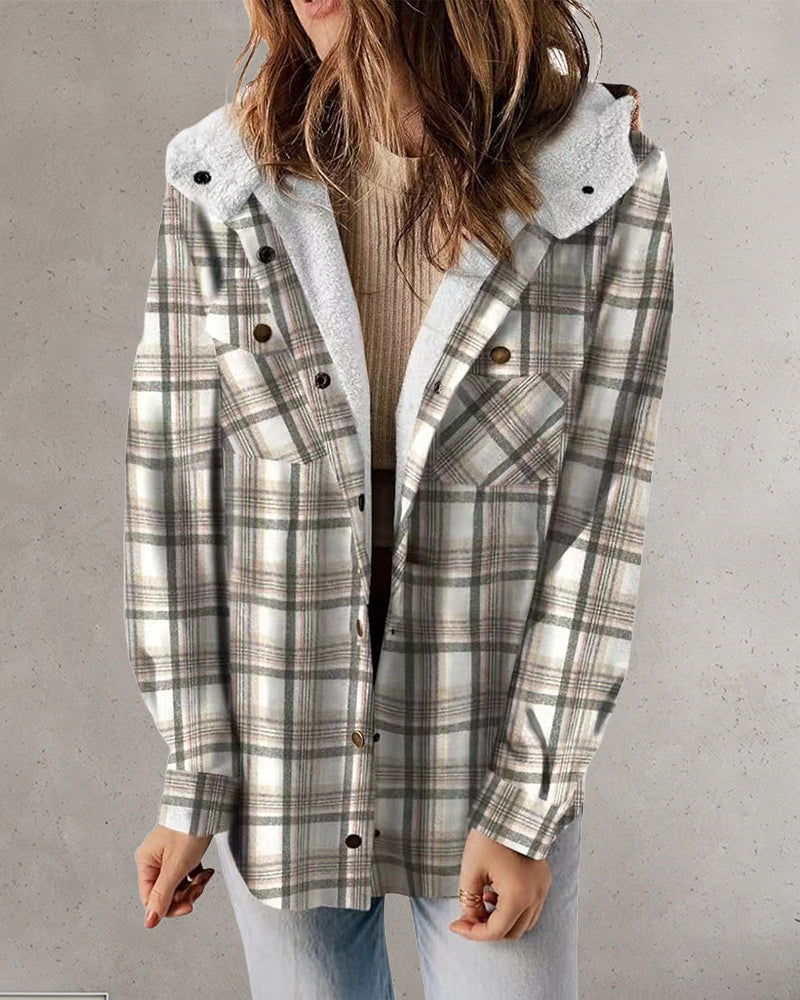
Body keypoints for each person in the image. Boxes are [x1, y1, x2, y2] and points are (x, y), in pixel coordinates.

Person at [124, 1, 674, 997]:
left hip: (485, 738)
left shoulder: (596, 182)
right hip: (279, 740)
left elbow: (600, 521)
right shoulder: (223, 181)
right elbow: (171, 498)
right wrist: (195, 774)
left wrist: (526, 808)